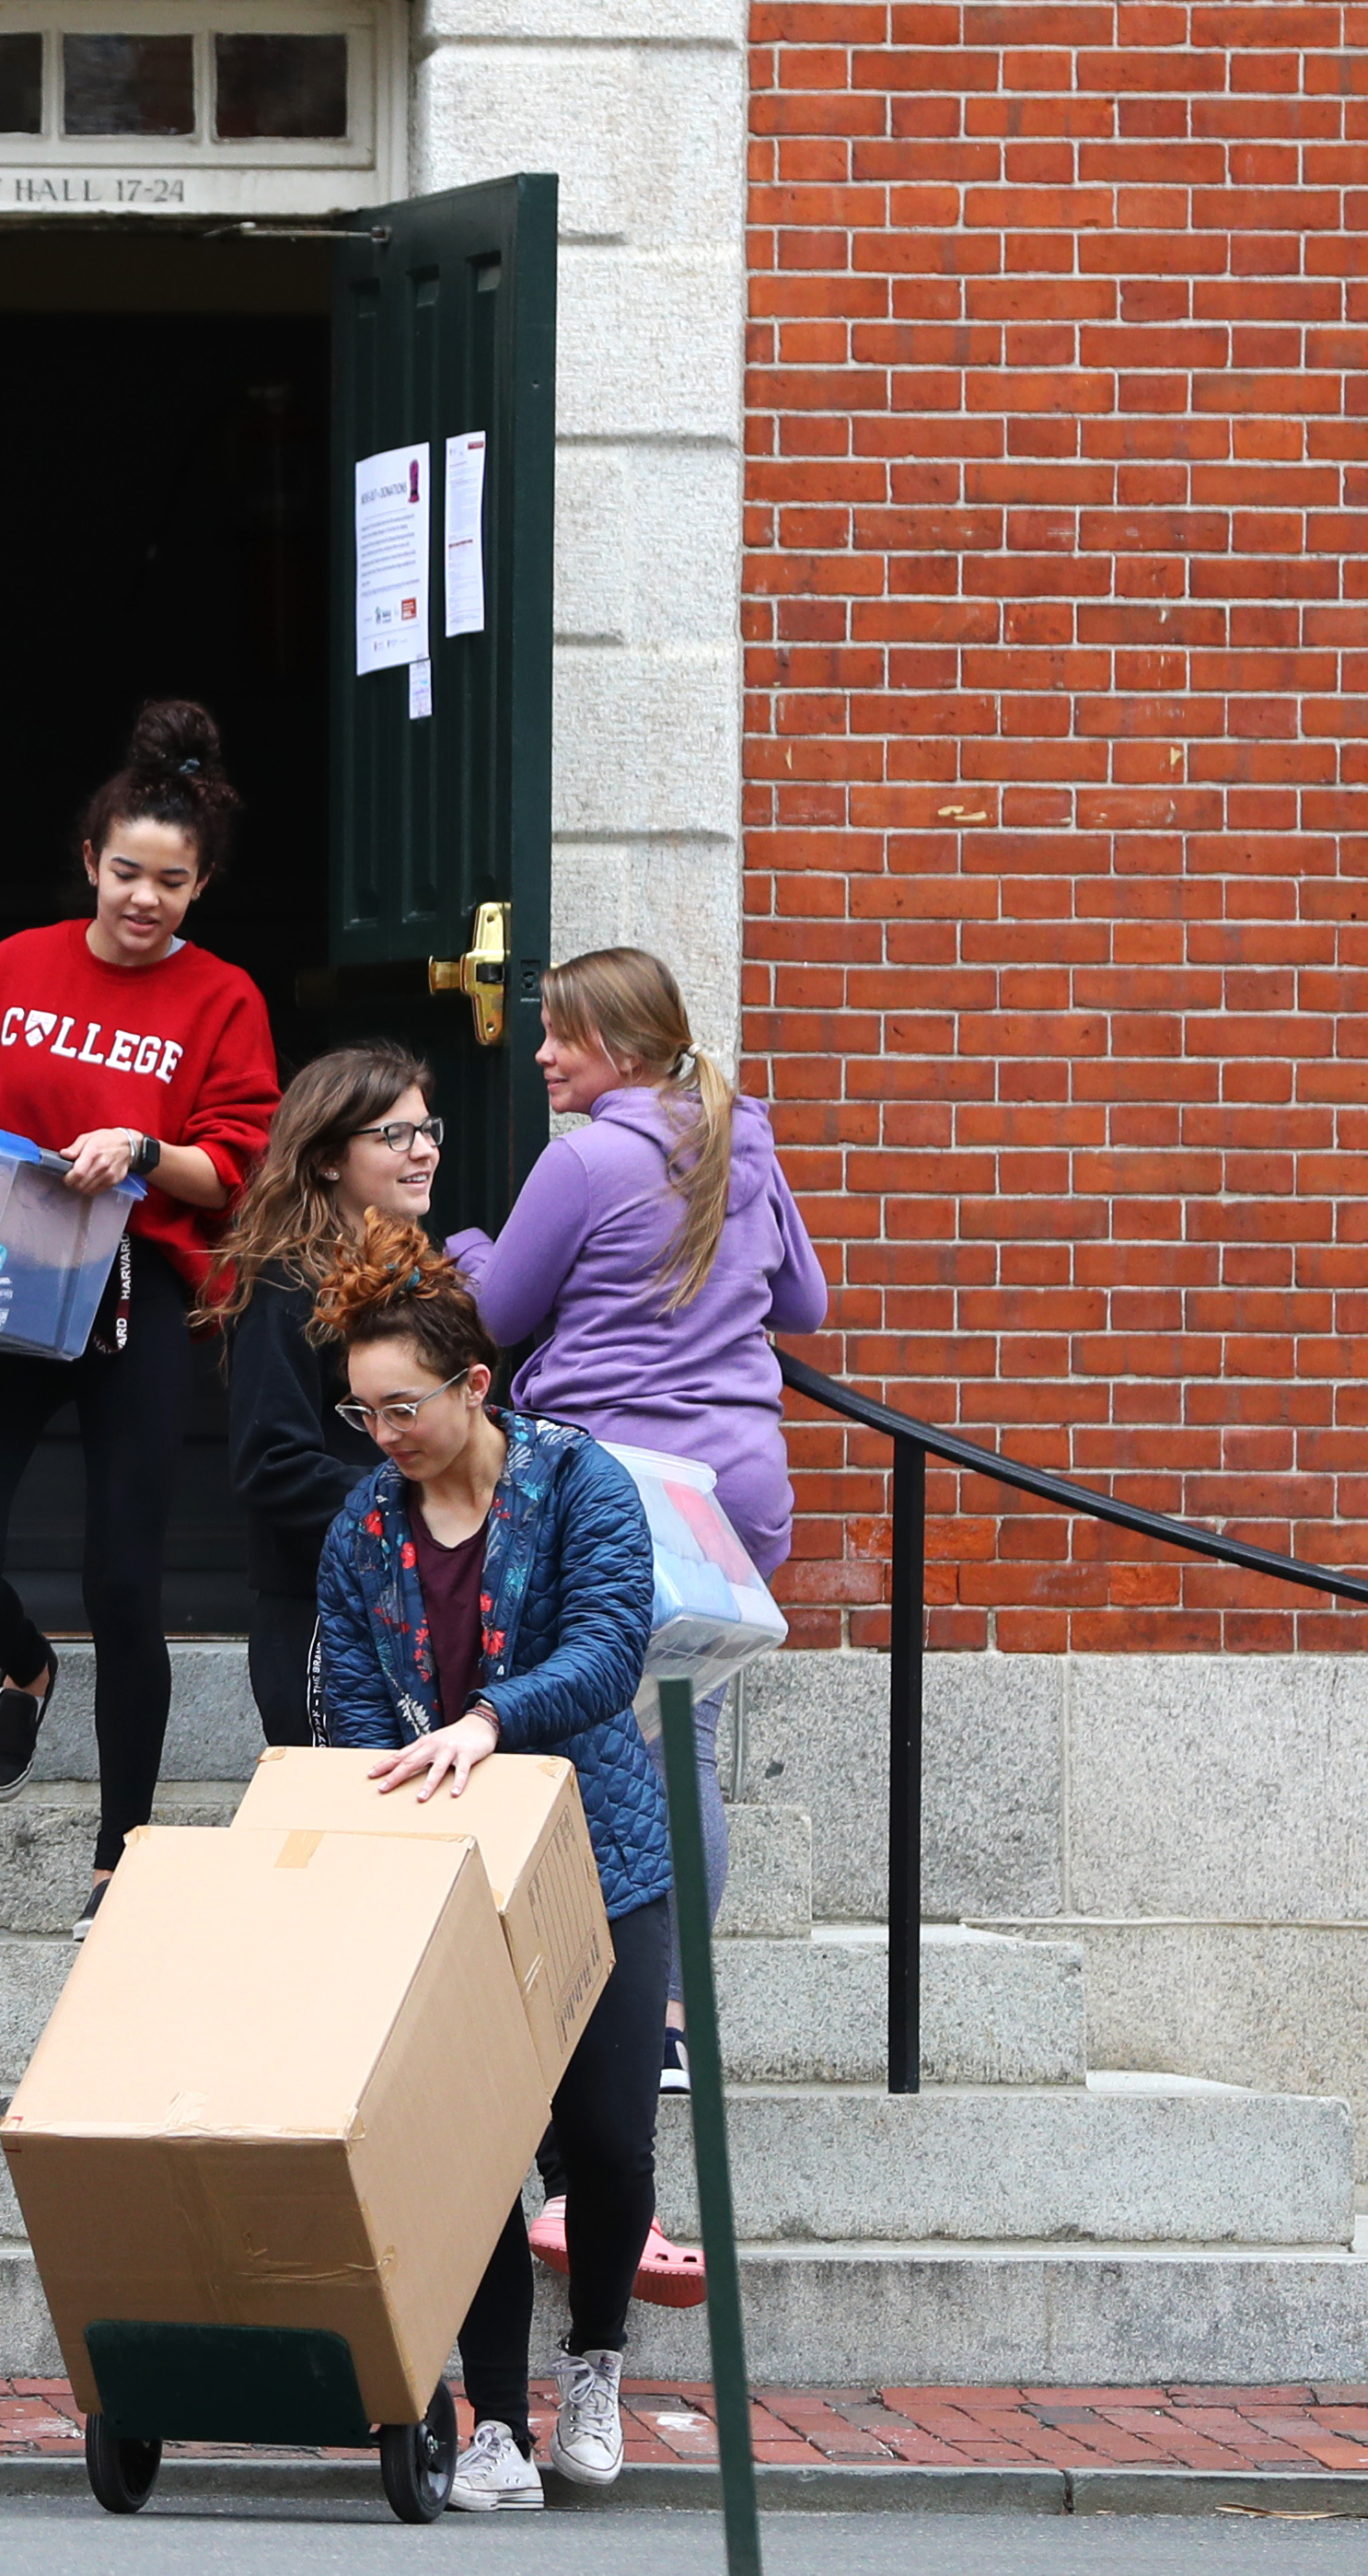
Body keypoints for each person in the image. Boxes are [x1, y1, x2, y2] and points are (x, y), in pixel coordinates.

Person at [0, 698, 278, 1915]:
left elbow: (233, 1161)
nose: (142, 897)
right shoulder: (13, 966)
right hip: (2, 1285)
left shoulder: (222, 999)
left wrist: (140, 1143)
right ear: (89, 860)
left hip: (131, 1307)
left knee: (124, 1585)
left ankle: (115, 1851)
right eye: (125, 870)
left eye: (170, 882)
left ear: (199, 887)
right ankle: (22, 1670)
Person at [311, 1216, 670, 2507]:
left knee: (609, 2145)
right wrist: (378, 1791)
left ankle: (596, 2357)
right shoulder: (362, 1525)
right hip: (442, 1868)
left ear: (472, 1385)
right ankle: (492, 2418)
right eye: (362, 1413)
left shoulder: (580, 1483)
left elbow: (604, 1650)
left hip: (596, 1857)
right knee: (470, 2150)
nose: (383, 1435)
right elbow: (347, 1698)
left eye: (400, 1406)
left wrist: (482, 1720)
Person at [449, 945, 830, 2091]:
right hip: (739, 1500)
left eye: (561, 1034)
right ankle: (669, 2018)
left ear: (618, 1043)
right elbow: (805, 1303)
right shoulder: (739, 1137)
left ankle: (573, 2003)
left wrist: (467, 1247)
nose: (545, 1054)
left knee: (566, 1740)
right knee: (685, 1750)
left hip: (618, 1493)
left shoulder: (586, 1163)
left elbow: (500, 1313)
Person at [203, 1041, 445, 1746]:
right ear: (328, 1158)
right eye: (393, 1135)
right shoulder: (283, 1289)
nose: (421, 1150)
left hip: (420, 1606)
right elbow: (271, 1467)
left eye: (427, 1130)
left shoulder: (421, 1279)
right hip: (320, 1614)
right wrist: (421, 1503)